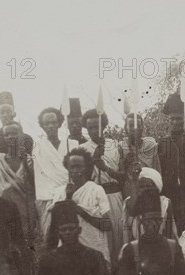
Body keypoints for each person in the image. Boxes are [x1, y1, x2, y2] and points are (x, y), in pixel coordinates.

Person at [48, 147, 113, 266]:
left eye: (79, 166)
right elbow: (55, 226)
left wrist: (80, 211)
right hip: (68, 255)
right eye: (71, 167)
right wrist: (68, 198)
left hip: (94, 251)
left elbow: (107, 225)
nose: (75, 170)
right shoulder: (60, 192)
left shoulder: (96, 190)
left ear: (87, 168)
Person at [0, 121, 40, 275]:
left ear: (21, 136)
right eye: (7, 134)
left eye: (14, 133)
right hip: (5, 211)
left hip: (25, 210)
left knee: (27, 250)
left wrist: (25, 161)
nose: (10, 137)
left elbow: (34, 184)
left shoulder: (30, 160)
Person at [79, 109, 126, 264]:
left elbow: (122, 176)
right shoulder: (83, 148)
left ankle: (119, 269)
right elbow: (83, 178)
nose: (94, 131)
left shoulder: (115, 145)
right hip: (96, 197)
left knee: (118, 232)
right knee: (101, 235)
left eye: (97, 127)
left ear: (104, 126)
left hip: (115, 195)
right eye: (90, 127)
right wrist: (93, 160)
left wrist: (105, 168)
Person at [34, 107, 79, 236]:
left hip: (72, 195)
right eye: (47, 124)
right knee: (52, 237)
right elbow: (39, 177)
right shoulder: (37, 148)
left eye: (54, 122)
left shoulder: (72, 144)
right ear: (42, 126)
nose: (51, 126)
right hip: (48, 199)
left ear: (59, 123)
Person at [158, 93, 185, 232]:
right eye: (172, 119)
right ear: (168, 121)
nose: (175, 122)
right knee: (172, 228)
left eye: (178, 119)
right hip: (170, 192)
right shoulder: (163, 143)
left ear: (183, 120)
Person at [122, 167, 177, 245]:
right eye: (141, 186)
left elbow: (169, 232)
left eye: (148, 186)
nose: (144, 189)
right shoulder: (130, 201)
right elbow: (128, 232)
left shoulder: (165, 202)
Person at [120, 113, 160, 198]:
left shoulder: (151, 145)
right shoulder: (121, 147)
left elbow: (157, 171)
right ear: (126, 129)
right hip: (130, 192)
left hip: (150, 190)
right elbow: (120, 174)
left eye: (138, 125)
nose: (135, 128)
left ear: (142, 128)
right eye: (131, 125)